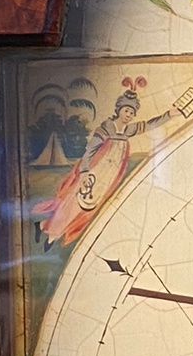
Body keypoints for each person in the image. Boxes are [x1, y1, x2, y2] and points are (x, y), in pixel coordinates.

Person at [31, 77, 176, 248]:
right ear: (119, 109)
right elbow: (90, 151)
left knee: (88, 208)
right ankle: (51, 233)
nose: (128, 115)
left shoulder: (128, 130)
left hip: (108, 176)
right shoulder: (107, 127)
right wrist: (84, 172)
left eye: (131, 112)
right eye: (126, 111)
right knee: (73, 202)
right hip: (94, 172)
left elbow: (150, 124)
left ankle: (45, 227)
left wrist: (169, 115)